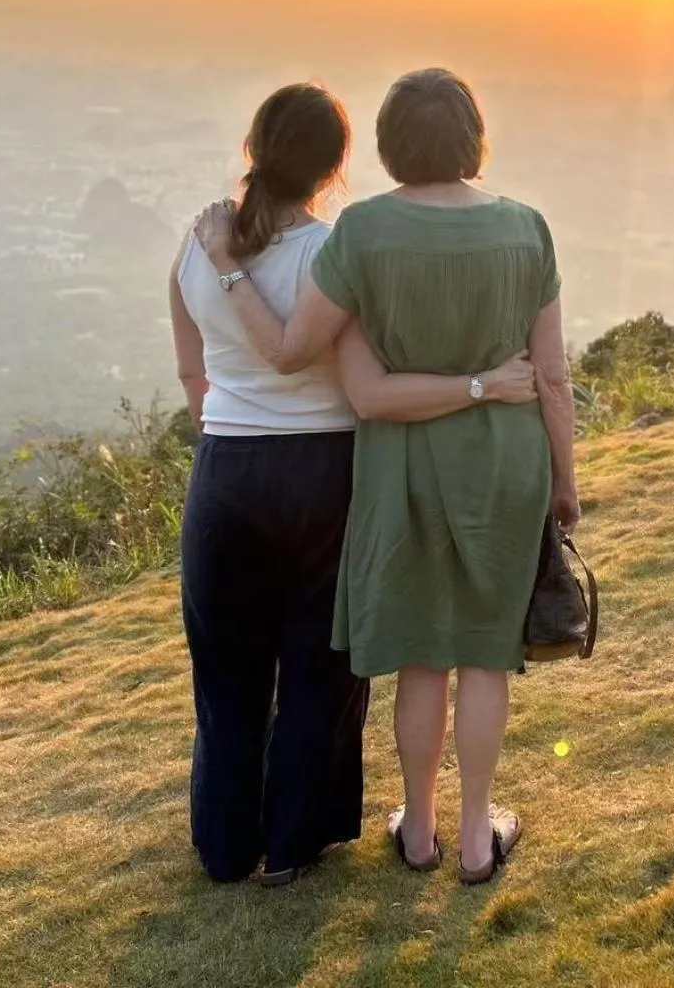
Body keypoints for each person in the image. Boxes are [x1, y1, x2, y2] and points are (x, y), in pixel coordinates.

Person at [195, 66, 576, 885]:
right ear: (473, 137)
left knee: (421, 659)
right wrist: (565, 482)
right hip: (508, 461)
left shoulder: (363, 232)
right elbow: (551, 375)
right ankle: (478, 838)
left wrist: (226, 264)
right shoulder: (527, 229)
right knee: (484, 654)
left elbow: (312, 353)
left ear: (388, 143)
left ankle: (419, 833)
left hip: (401, 461)